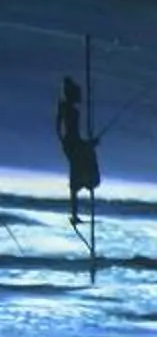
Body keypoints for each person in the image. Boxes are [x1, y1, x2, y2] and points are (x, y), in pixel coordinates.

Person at [55, 78, 100, 229]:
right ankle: (75, 214)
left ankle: (75, 213)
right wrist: (84, 144)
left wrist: (86, 143)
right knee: (77, 174)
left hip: (72, 143)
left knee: (77, 175)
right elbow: (66, 131)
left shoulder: (68, 108)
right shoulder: (68, 109)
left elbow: (65, 131)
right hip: (73, 144)